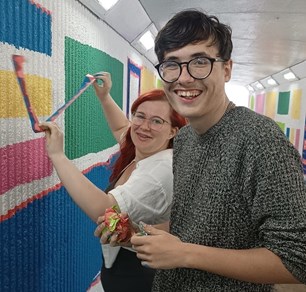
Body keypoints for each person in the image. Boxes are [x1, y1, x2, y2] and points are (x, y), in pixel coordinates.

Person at [130, 9, 306, 292]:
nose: (184, 78)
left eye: (200, 62)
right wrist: (137, 233)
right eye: (172, 64)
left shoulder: (260, 140)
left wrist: (185, 253)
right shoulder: (185, 139)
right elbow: (199, 227)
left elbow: (298, 260)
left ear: (227, 70)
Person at [39, 72, 186, 292]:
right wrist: (105, 96)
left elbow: (106, 211)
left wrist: (58, 156)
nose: (144, 126)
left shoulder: (162, 168)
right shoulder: (145, 149)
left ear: (173, 131)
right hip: (124, 261)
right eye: (139, 116)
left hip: (140, 272)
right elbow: (122, 129)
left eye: (157, 121)